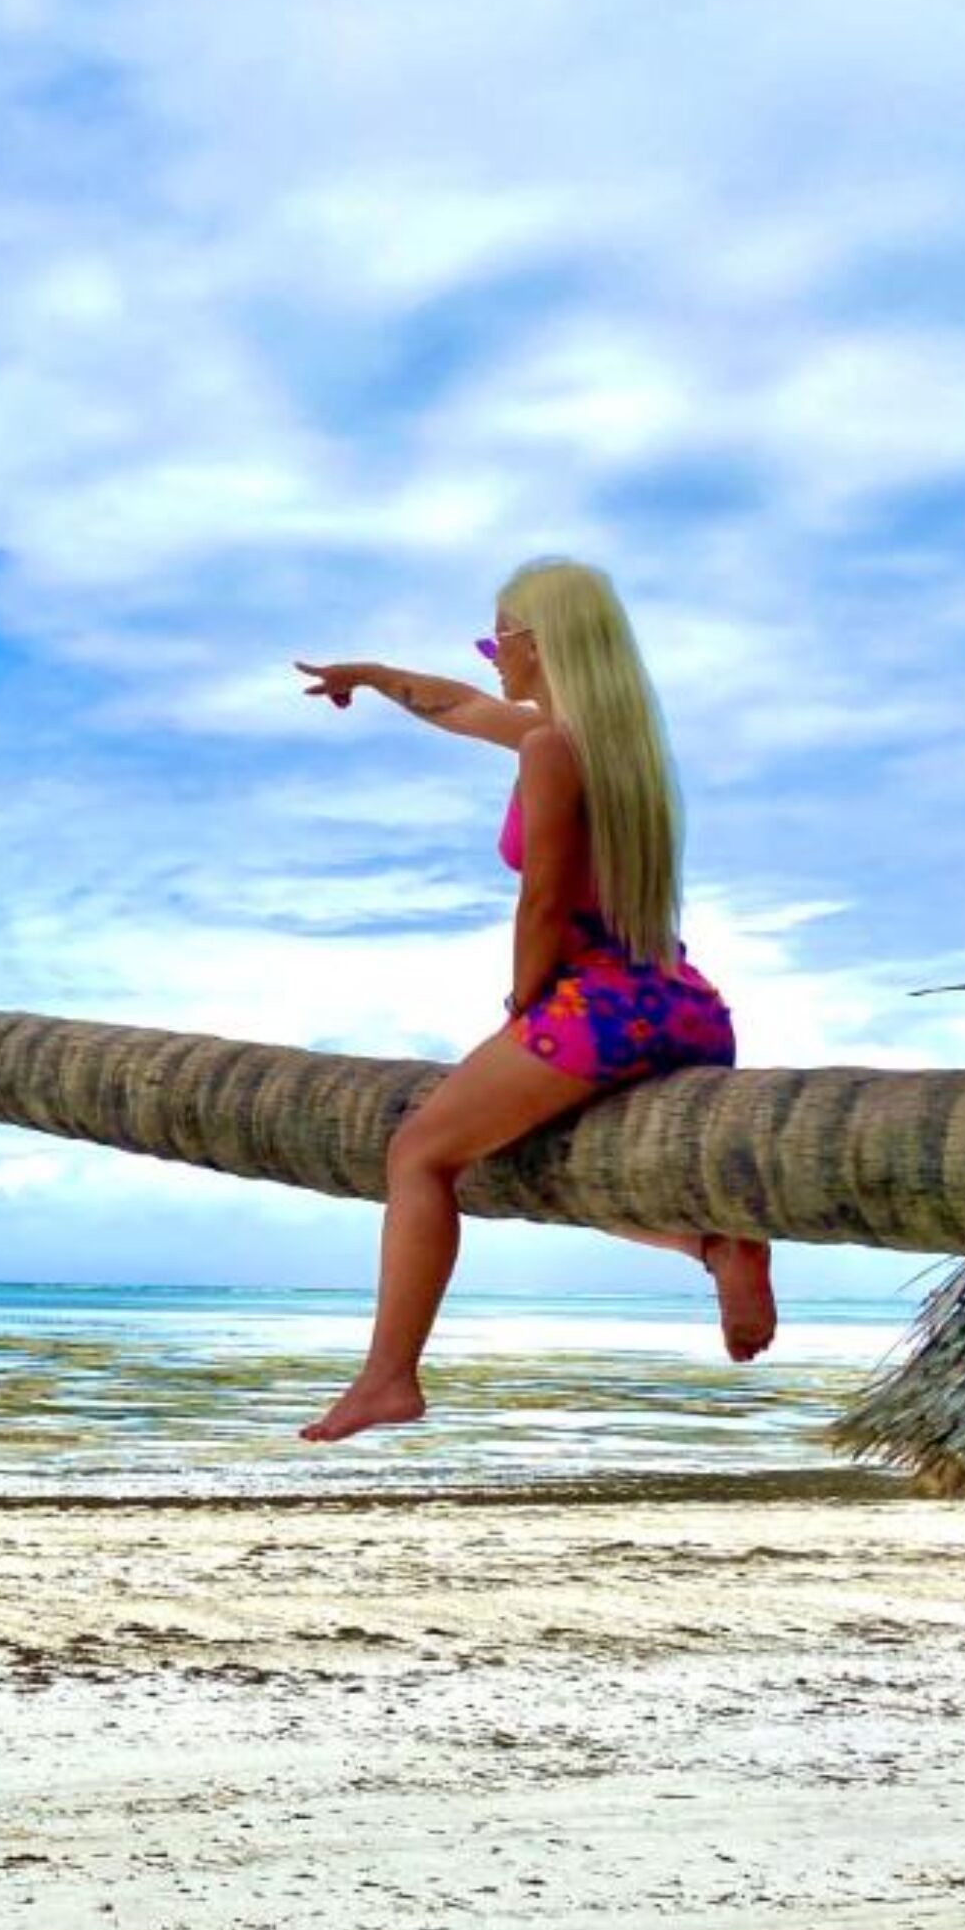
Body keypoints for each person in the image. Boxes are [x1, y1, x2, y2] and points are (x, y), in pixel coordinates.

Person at [290, 558, 774, 1443]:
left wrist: (524, 1005)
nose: (488, 661)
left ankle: (388, 1378)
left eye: (495, 639)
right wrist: (365, 675)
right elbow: (452, 704)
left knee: (420, 1155)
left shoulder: (551, 750)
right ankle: (717, 1246)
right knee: (558, 1168)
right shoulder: (615, 750)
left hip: (598, 1011)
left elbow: (544, 898)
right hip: (686, 1007)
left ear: (538, 645)